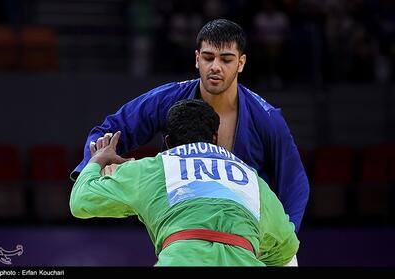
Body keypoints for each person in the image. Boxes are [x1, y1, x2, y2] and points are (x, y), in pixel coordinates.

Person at [71, 18, 309, 234]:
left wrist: (285, 238)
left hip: (245, 230)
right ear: (197, 59)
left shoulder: (266, 118)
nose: (215, 66)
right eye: (208, 57)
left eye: (226, 59)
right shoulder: (168, 99)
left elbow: (295, 183)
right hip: (183, 223)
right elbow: (106, 132)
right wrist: (98, 165)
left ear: (241, 63)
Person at [70, 99, 299, 266]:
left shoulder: (151, 168)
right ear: (215, 139)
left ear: (168, 142)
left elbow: (80, 202)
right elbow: (287, 248)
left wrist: (96, 161)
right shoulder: (251, 178)